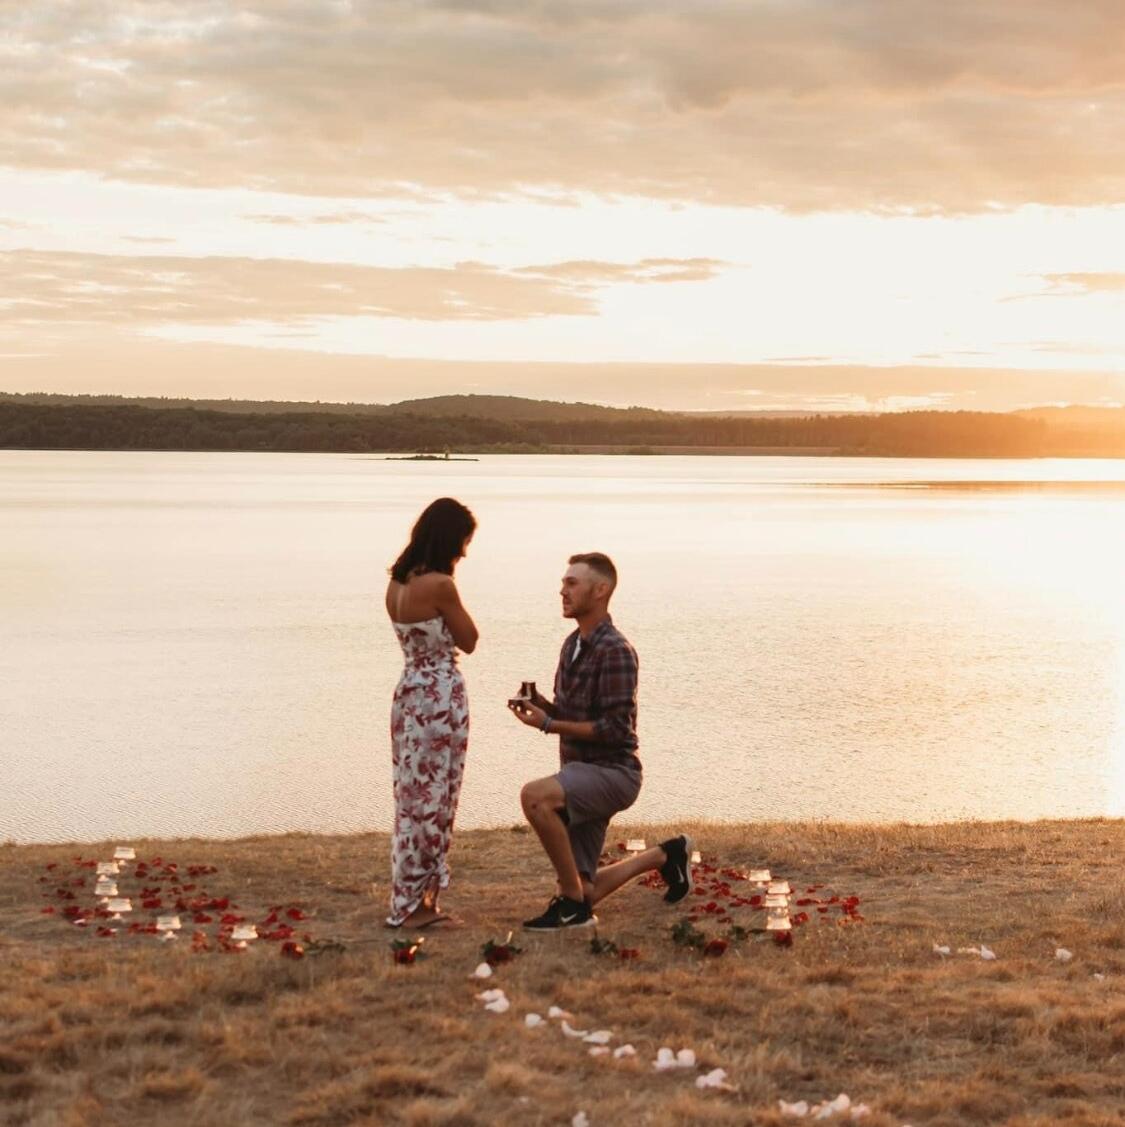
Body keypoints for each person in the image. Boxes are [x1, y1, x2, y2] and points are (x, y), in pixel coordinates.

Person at [509, 552, 693, 930]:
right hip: (579, 773)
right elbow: (576, 714)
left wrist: (549, 725)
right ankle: (665, 855)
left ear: (601, 590)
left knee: (535, 796)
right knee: (585, 888)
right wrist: (544, 707)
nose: (562, 590)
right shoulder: (571, 645)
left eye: (572, 583)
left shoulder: (617, 651)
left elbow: (613, 729)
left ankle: (571, 907)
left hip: (613, 774)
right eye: (564, 582)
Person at [385, 497, 479, 929]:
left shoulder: (396, 585)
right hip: (438, 698)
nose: (464, 551)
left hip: (408, 694)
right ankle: (418, 907)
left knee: (411, 798)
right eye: (463, 541)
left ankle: (412, 898)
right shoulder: (441, 585)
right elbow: (469, 638)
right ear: (448, 538)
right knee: (436, 797)